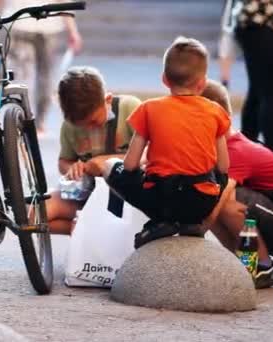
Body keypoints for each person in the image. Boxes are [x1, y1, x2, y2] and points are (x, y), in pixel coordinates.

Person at [97, 37, 231, 249]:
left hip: (159, 200)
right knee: (219, 177)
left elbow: (130, 165)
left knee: (110, 166)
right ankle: (191, 224)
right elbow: (223, 167)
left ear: (164, 79)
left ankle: (161, 221)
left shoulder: (148, 109)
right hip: (201, 202)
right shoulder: (216, 111)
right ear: (202, 83)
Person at [200, 79, 273, 288]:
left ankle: (262, 267)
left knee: (225, 203)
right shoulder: (224, 146)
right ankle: (243, 265)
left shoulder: (236, 151)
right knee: (214, 202)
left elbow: (221, 199)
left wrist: (195, 234)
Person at [46, 66, 141, 235]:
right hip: (89, 196)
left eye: (94, 122)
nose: (89, 129)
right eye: (81, 126)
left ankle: (92, 231)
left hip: (129, 198)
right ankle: (86, 233)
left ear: (108, 100)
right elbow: (64, 161)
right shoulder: (68, 127)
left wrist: (106, 161)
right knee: (33, 213)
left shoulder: (130, 108)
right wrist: (73, 168)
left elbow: (152, 152)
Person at [0, 0, 83, 135]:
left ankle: (18, 118)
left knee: (21, 74)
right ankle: (39, 123)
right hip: (47, 24)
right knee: (44, 75)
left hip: (20, 22)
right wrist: (73, 30)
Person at [235, 0, 273, 153]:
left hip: (254, 21)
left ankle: (247, 155)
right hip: (271, 22)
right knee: (272, 95)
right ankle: (272, 160)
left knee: (258, 92)